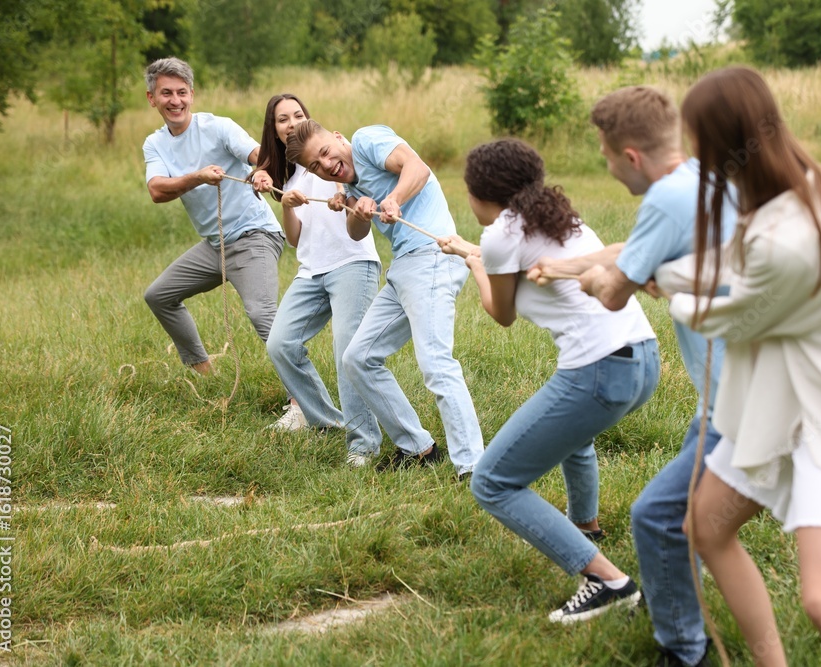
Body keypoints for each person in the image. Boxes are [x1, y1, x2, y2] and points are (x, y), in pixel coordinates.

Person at [654, 66, 821, 666]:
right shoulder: (792, 192)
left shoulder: (792, 238)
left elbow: (734, 318)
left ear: (720, 142)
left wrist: (660, 286)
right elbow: (730, 260)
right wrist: (650, 269)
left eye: (695, 136)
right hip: (786, 401)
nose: (690, 150)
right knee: (706, 527)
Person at [529, 86, 737, 666]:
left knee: (656, 517)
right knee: (688, 514)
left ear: (630, 156)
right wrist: (567, 264)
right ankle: (678, 600)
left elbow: (614, 292)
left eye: (604, 155)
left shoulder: (664, 200)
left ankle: (684, 650)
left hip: (738, 397)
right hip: (734, 388)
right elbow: (635, 249)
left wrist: (591, 280)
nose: (605, 166)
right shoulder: (703, 179)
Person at [438, 138, 661, 623]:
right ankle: (585, 528)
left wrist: (473, 263)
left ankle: (606, 583)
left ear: (482, 195)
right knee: (571, 438)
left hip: (600, 371)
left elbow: (501, 312)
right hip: (642, 358)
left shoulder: (499, 235)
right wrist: (471, 251)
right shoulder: (560, 219)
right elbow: (517, 266)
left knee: (492, 481)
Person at [284, 121, 484, 478]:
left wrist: (394, 199)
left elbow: (417, 167)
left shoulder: (366, 141)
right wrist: (357, 210)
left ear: (338, 138)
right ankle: (417, 448)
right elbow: (356, 232)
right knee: (358, 358)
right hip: (404, 268)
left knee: (436, 364)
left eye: (326, 152)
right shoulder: (349, 185)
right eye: (315, 165)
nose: (326, 165)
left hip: (433, 256)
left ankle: (473, 468)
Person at [249, 94, 382, 461]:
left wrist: (341, 192)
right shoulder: (291, 175)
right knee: (280, 344)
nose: (291, 123)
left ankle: (364, 443)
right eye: (282, 119)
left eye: (298, 115)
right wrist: (286, 206)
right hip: (310, 272)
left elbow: (352, 183)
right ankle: (325, 421)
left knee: (347, 351)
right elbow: (294, 239)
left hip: (352, 263)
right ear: (274, 129)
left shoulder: (332, 154)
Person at [141, 57, 284, 380]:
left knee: (261, 314)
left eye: (182, 92)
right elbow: (157, 190)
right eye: (166, 93)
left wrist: (262, 171)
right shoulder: (155, 144)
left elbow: (258, 155)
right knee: (159, 296)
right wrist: (199, 177)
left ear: (192, 95)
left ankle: (302, 398)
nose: (175, 101)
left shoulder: (218, 127)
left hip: (254, 236)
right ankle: (205, 374)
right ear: (152, 98)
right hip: (216, 245)